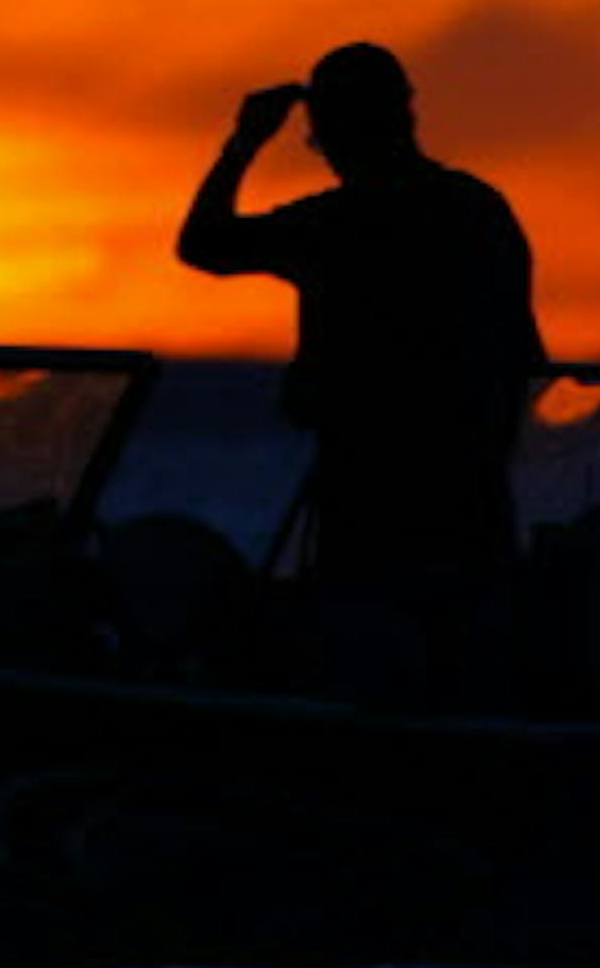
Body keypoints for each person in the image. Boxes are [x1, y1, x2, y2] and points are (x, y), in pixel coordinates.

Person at [176, 41, 543, 607]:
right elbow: (527, 356)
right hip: (475, 507)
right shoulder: (479, 210)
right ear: (406, 115)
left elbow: (203, 243)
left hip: (369, 508)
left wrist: (245, 143)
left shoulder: (334, 225)